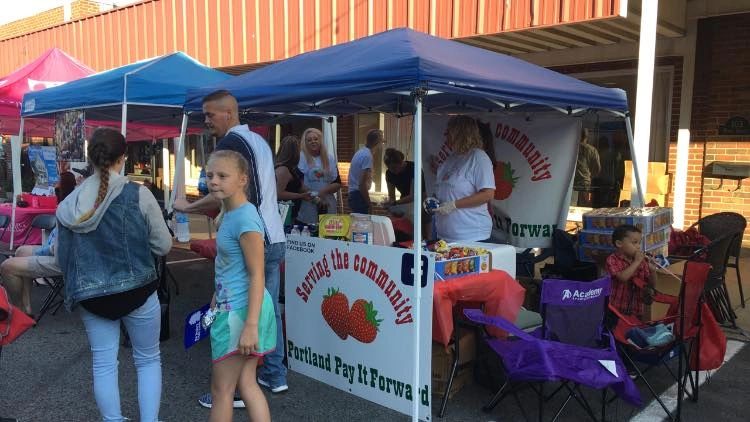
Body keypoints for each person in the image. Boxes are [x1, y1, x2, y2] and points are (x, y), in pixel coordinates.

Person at [172, 90, 288, 408]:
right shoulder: (258, 142)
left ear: (229, 113)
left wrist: (189, 205)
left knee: (255, 299)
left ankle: (235, 387)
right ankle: (274, 374)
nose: (206, 121)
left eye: (210, 114)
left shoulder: (231, 147)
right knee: (266, 306)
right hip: (272, 233)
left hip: (253, 238)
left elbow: (226, 195)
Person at [55, 128, 172, 422]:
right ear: (124, 157)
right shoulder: (139, 194)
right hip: (138, 291)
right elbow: (163, 244)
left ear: (91, 157)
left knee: (104, 364)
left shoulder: (68, 204)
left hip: (92, 296)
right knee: (147, 360)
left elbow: (62, 259)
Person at [205, 150, 276, 422]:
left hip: (241, 312)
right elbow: (230, 267)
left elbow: (257, 274)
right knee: (246, 384)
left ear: (243, 179)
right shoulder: (232, 213)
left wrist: (250, 325)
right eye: (210, 175)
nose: (214, 181)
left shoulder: (244, 219)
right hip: (237, 306)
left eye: (223, 176)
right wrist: (215, 297)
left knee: (221, 391)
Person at [0, 171, 77, 317]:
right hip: (61, 253)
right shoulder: (71, 204)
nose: (54, 184)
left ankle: (19, 311)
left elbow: (56, 248)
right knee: (21, 251)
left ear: (62, 185)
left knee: (7, 266)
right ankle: (27, 305)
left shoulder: (65, 207)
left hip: (61, 259)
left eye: (57, 181)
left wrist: (43, 250)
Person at [432, 116, 496, 242]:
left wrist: (454, 205)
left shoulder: (478, 157)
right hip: (445, 236)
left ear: (460, 134)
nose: (446, 137)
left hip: (471, 236)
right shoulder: (451, 158)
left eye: (449, 133)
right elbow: (445, 189)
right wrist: (434, 200)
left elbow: (488, 194)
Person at [606, 225, 658, 321]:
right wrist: (637, 262)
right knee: (617, 334)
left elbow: (651, 285)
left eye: (639, 243)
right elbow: (622, 278)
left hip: (636, 310)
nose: (638, 247)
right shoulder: (612, 259)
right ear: (619, 243)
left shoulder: (641, 261)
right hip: (616, 310)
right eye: (634, 243)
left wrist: (653, 270)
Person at [383, 148, 431, 239]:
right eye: (389, 168)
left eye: (394, 168)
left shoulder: (414, 169)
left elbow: (413, 196)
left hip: (421, 199)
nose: (392, 171)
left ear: (400, 163)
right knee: (392, 216)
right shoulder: (389, 173)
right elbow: (392, 197)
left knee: (416, 216)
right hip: (404, 201)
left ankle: (421, 240)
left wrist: (394, 203)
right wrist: (389, 205)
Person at [297, 128, 341, 225]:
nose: (313, 141)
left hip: (328, 204)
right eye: (309, 140)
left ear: (320, 140)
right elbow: (298, 184)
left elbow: (337, 183)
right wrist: (316, 197)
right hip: (308, 204)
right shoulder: (301, 157)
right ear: (305, 143)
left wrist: (321, 193)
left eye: (315, 139)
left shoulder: (329, 158)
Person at [275, 135, 311, 224]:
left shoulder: (291, 169)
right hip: (284, 216)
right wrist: (301, 196)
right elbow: (279, 193)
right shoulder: (283, 170)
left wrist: (317, 194)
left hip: (292, 214)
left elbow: (299, 186)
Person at [348, 129, 384, 214]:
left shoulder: (360, 152)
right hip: (358, 196)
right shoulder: (367, 156)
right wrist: (369, 203)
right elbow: (362, 184)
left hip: (354, 194)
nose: (381, 145)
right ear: (377, 142)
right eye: (381, 142)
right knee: (363, 225)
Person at [573, 128, 601, 206]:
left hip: (571, 183)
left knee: (570, 207)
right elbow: (597, 169)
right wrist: (590, 176)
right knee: (583, 207)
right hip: (584, 184)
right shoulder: (592, 150)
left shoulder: (571, 148)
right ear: (587, 137)